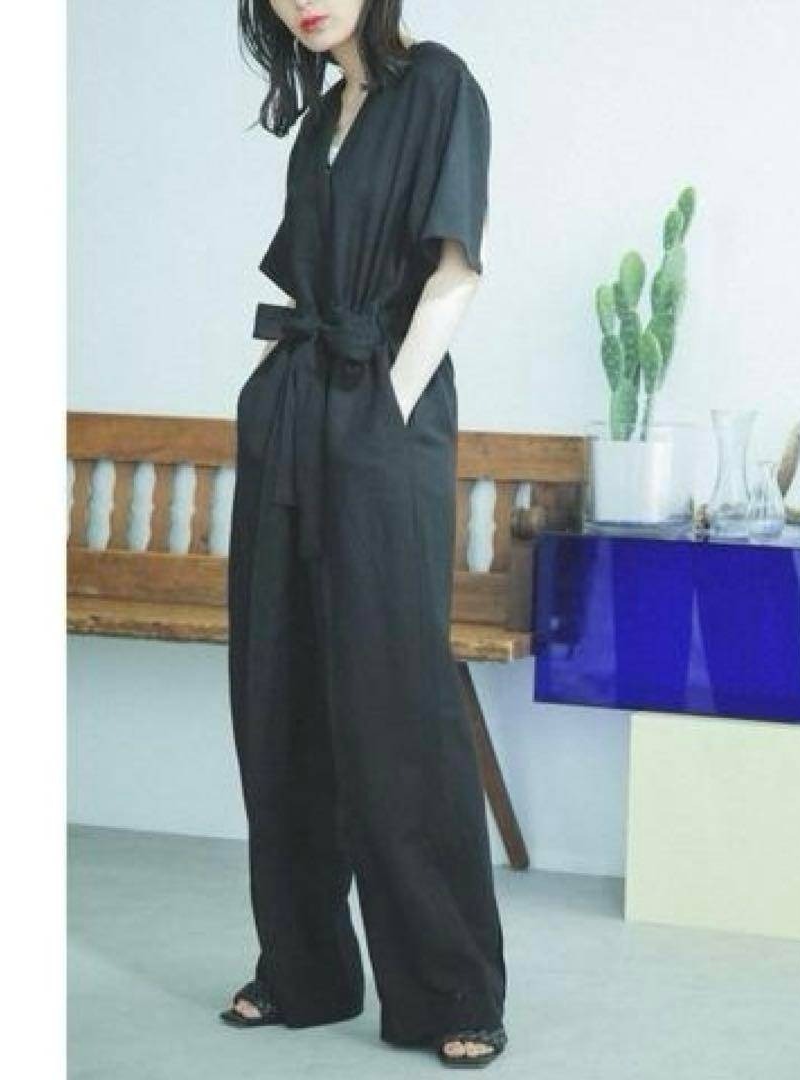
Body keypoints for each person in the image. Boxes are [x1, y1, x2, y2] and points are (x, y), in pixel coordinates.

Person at [223, 1, 508, 1068]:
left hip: (380, 410)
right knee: (280, 688)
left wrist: (387, 405)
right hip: (293, 408)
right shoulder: (318, 122)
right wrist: (269, 401)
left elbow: (454, 270)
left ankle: (450, 987)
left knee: (395, 701)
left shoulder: (438, 85)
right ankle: (303, 969)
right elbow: (303, 281)